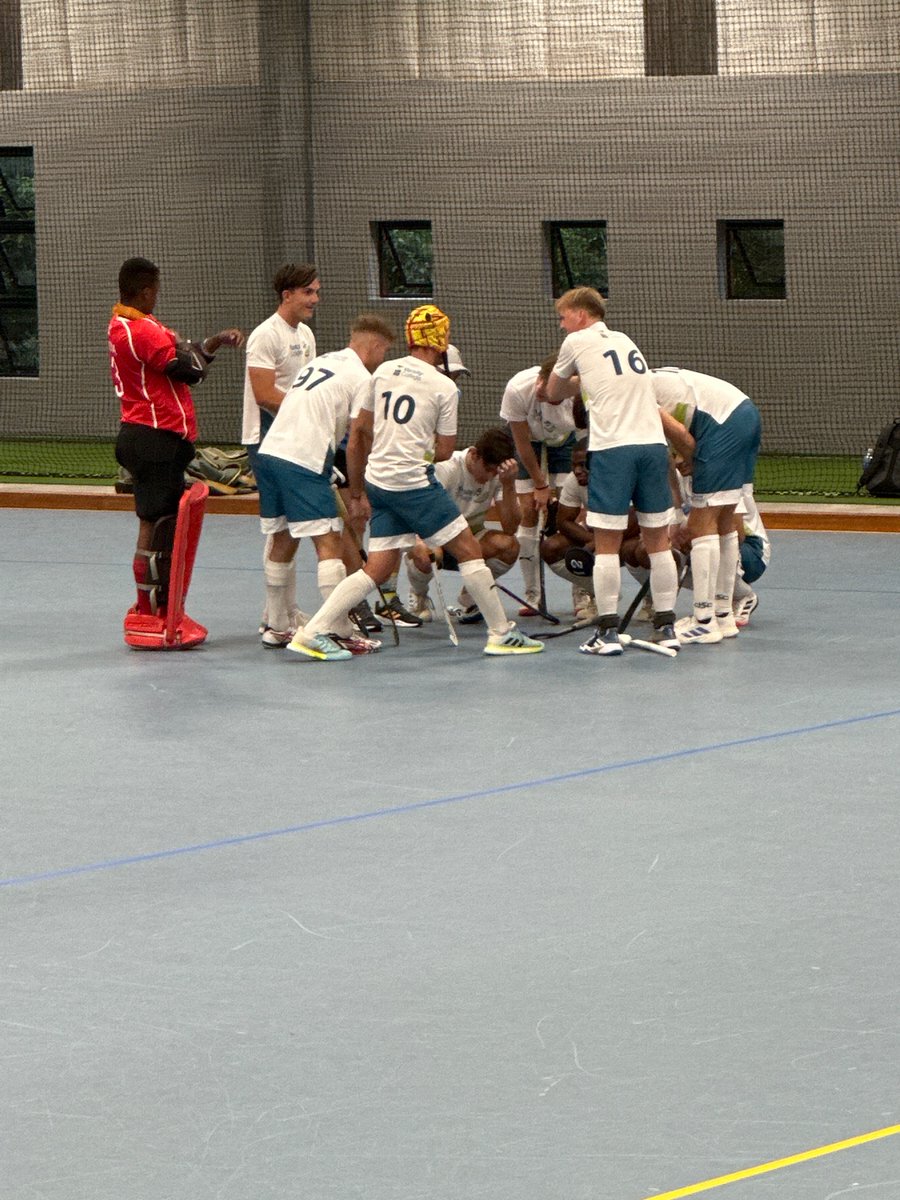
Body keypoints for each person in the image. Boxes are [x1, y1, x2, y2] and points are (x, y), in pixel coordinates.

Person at [287, 304, 544, 661]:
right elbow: (444, 451)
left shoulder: (381, 373)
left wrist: (359, 490)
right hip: (412, 481)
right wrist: (415, 448)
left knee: (376, 567)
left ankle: (313, 630)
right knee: (470, 549)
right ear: (441, 340)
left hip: (378, 480)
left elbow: (359, 432)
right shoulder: (444, 387)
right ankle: (501, 633)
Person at [109, 256, 244, 645]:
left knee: (156, 521)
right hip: (154, 438)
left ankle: (154, 610)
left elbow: (187, 355)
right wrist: (195, 351)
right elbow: (190, 370)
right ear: (147, 291)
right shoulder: (142, 331)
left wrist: (211, 343)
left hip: (152, 438)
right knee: (160, 525)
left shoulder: (130, 325)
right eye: (156, 290)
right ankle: (155, 615)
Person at [545, 287, 681, 655]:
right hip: (653, 446)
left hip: (613, 448)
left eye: (563, 316)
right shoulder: (624, 339)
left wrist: (564, 382)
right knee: (658, 542)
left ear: (581, 315)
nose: (561, 324)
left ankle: (606, 633)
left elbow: (554, 392)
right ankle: (666, 625)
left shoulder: (577, 342)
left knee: (606, 543)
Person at [253, 314, 396, 652]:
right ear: (375, 346)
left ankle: (276, 626)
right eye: (384, 352)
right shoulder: (364, 378)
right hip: (304, 459)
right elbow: (360, 434)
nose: (382, 360)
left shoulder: (323, 361)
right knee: (329, 542)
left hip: (271, 452)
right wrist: (359, 492)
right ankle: (336, 629)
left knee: (283, 535)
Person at [650, 366, 761, 644]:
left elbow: (678, 433)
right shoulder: (646, 379)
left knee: (701, 524)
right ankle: (722, 616)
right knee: (724, 520)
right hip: (743, 413)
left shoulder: (633, 394)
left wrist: (693, 459)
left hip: (721, 423)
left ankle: (703, 621)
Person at [241, 263, 321, 640]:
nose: (314, 300)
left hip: (297, 437)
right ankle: (276, 623)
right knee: (281, 527)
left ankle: (282, 613)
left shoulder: (305, 334)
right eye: (308, 292)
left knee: (292, 528)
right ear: (287, 294)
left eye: (316, 292)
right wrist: (306, 411)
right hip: (268, 437)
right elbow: (264, 394)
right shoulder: (264, 335)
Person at [372, 341, 473, 628]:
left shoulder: (398, 378)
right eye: (451, 375)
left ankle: (383, 600)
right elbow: (441, 450)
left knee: (383, 552)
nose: (454, 382)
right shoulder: (436, 390)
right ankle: (500, 631)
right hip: (396, 474)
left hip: (388, 473)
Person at [404, 426, 521, 623]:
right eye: (488, 469)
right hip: (437, 536)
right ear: (474, 455)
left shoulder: (500, 477)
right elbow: (420, 513)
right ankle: (419, 595)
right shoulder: (447, 468)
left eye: (496, 471)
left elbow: (510, 528)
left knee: (509, 546)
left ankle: (471, 595)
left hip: (470, 541)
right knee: (425, 556)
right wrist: (418, 542)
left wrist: (509, 485)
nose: (490, 476)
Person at [500, 353, 577, 615]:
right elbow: (521, 442)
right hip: (530, 441)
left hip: (567, 442)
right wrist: (540, 485)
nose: (541, 393)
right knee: (528, 513)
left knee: (571, 515)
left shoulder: (580, 398)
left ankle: (583, 595)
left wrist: (559, 493)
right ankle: (532, 596)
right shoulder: (519, 388)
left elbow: (586, 446)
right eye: (542, 386)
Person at [538, 442, 598, 622]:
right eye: (574, 465)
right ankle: (598, 590)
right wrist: (593, 541)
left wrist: (602, 542)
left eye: (583, 465)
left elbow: (633, 520)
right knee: (551, 547)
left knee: (637, 551)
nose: (578, 471)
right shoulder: (574, 480)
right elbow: (563, 522)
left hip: (630, 532)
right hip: (597, 533)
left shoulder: (618, 475)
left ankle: (653, 601)